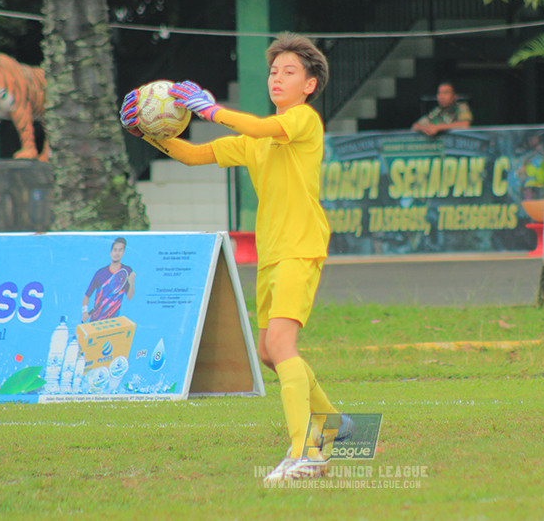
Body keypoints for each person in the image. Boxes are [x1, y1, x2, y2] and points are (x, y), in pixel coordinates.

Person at [119, 32, 349, 483]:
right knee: (268, 351)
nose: (277, 78)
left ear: (309, 85)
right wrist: (148, 133)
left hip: (301, 246)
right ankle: (336, 426)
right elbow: (193, 155)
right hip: (273, 253)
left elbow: (263, 127)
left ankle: (308, 453)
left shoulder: (303, 120)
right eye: (273, 71)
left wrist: (210, 110)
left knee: (282, 345)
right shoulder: (254, 141)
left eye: (289, 72)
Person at [82, 237, 135, 322]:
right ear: (111, 252)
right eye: (115, 250)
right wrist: (85, 312)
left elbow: (129, 296)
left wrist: (132, 282)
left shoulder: (127, 271)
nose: (117, 253)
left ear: (123, 252)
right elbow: (87, 296)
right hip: (96, 320)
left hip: (112, 322)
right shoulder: (100, 273)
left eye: (120, 250)